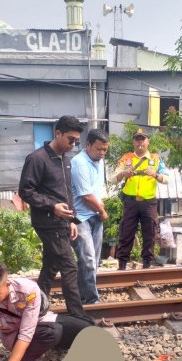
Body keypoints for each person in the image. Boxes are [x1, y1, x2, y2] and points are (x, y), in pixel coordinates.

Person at [18, 114, 87, 317]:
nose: (73, 145)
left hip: (61, 222)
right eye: (70, 140)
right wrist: (52, 207)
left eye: (76, 141)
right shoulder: (37, 159)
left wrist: (72, 220)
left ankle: (36, 310)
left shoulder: (65, 160)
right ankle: (77, 316)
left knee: (50, 267)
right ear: (58, 133)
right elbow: (26, 191)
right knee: (70, 267)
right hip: (48, 223)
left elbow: (66, 193)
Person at [111, 128, 169, 270]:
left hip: (149, 202)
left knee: (150, 232)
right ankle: (122, 264)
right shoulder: (126, 158)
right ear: (133, 142)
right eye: (137, 139)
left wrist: (155, 174)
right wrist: (123, 173)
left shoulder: (156, 159)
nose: (140, 142)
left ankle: (147, 263)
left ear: (148, 141)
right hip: (130, 202)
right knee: (126, 232)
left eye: (143, 139)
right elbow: (113, 179)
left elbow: (166, 178)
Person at [70, 128, 109, 304]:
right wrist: (102, 211)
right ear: (88, 145)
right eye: (98, 149)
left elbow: (96, 191)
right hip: (80, 218)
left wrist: (99, 210)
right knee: (88, 260)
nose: (101, 153)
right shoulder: (79, 162)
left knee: (91, 262)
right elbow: (86, 196)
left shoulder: (99, 162)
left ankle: (82, 298)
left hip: (95, 216)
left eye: (104, 150)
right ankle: (92, 301)